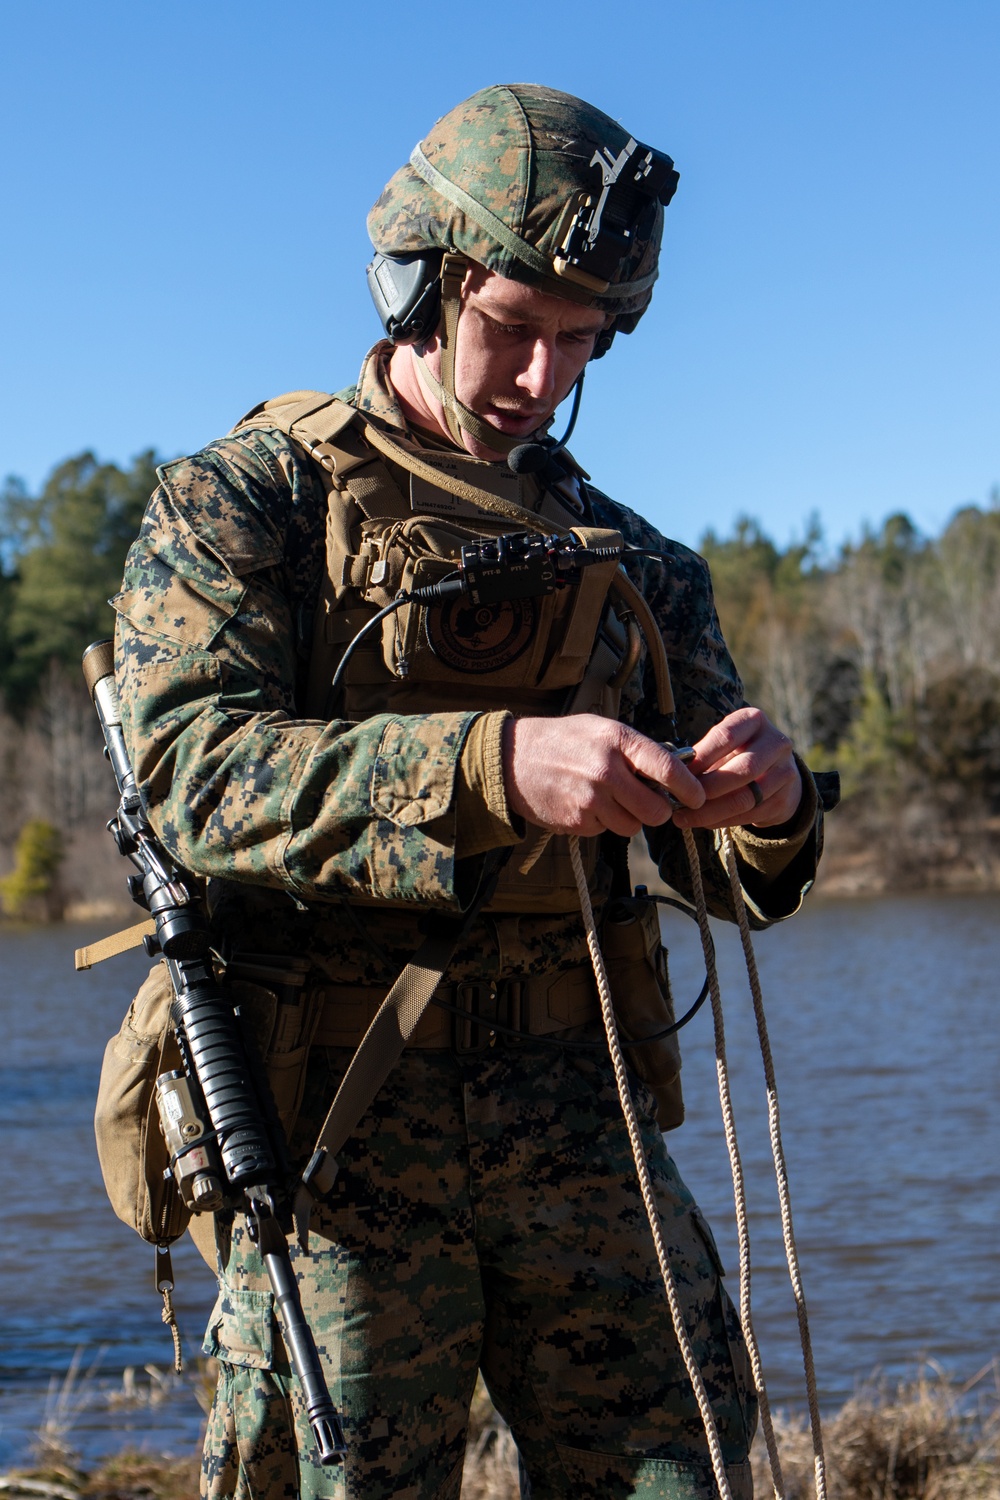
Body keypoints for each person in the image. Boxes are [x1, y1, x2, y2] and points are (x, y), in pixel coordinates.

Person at [113, 83, 823, 1500]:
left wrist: (769, 807)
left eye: (583, 341)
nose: (545, 377)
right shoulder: (247, 504)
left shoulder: (631, 561)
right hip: (337, 1140)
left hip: (586, 1123)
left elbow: (724, 876)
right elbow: (191, 776)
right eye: (513, 327)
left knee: (680, 1474)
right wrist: (493, 766)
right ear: (421, 287)